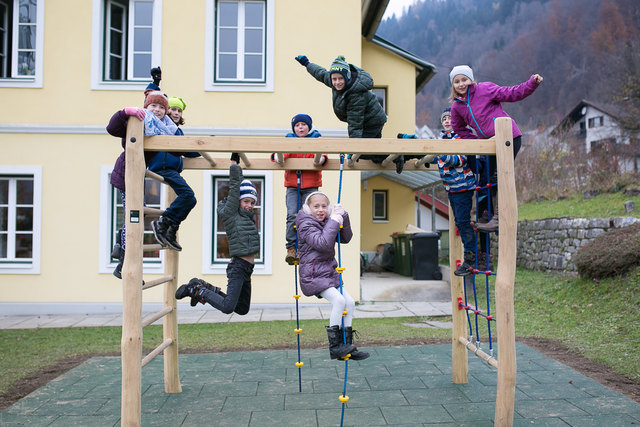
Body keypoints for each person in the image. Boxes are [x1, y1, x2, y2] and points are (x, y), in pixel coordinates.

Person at [449, 65, 543, 231]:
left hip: (509, 138)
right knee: (486, 178)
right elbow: (459, 129)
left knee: (498, 176)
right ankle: (487, 214)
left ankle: (499, 218)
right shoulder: (457, 107)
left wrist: (532, 83)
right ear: (453, 85)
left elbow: (512, 93)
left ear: (471, 79)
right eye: (457, 81)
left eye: (464, 79)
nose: (461, 84)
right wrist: (478, 142)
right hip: (490, 145)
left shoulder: (485, 89)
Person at [175, 156, 260, 315]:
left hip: (247, 268)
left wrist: (240, 173)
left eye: (252, 202)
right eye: (246, 201)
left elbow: (240, 186)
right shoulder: (231, 213)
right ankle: (196, 289)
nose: (249, 206)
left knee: (241, 309)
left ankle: (205, 288)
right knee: (228, 307)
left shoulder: (245, 216)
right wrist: (234, 165)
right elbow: (236, 187)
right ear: (238, 201)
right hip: (238, 267)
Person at [294, 55, 403, 173]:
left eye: (340, 79)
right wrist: (307, 64)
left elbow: (355, 122)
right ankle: (397, 151)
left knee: (363, 152)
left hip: (371, 121)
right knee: (374, 155)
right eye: (334, 79)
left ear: (347, 77)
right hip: (368, 120)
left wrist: (353, 148)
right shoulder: (333, 80)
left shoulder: (355, 94)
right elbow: (320, 73)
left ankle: (397, 154)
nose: (337, 82)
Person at [296, 191, 369, 360]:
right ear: (308, 208)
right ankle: (335, 347)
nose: (320, 210)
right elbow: (322, 243)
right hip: (313, 276)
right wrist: (334, 221)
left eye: (324, 206)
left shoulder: (326, 221)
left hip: (328, 274)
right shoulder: (305, 224)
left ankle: (347, 344)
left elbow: (345, 237)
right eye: (316, 206)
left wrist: (344, 216)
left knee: (350, 302)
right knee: (339, 300)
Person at [272, 114, 328, 265]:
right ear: (293, 128)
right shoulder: (290, 140)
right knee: (292, 215)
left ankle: (307, 246)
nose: (300, 127)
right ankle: (291, 247)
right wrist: (279, 158)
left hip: (310, 186)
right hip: (292, 186)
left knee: (309, 216)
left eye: (303, 124)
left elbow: (322, 154)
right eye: (297, 125)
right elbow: (281, 154)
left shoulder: (316, 139)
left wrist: (321, 159)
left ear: (309, 127)